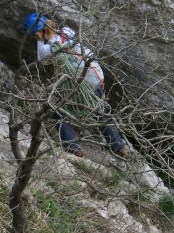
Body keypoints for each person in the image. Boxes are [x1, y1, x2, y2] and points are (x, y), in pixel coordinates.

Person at [22, 12, 128, 157]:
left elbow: (43, 56)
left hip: (80, 84)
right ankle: (118, 146)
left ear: (40, 32)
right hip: (95, 76)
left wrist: (43, 37)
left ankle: (72, 147)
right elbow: (59, 35)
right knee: (98, 109)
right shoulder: (67, 32)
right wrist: (47, 29)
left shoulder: (47, 50)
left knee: (54, 111)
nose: (35, 37)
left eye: (35, 34)